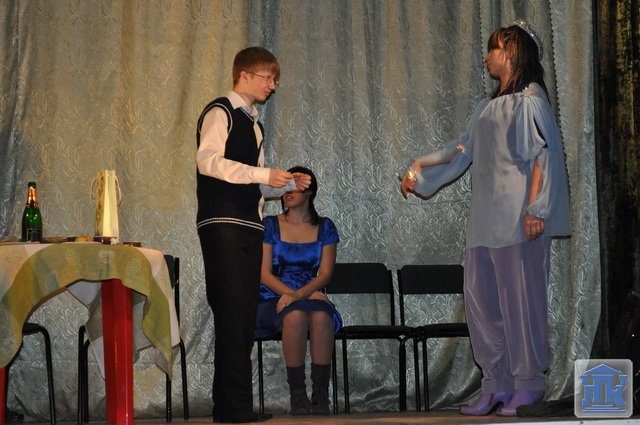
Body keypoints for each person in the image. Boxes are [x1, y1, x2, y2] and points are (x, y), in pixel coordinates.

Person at [400, 20, 571, 417]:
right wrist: (417, 172)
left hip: (517, 218)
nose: (486, 57)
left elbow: (542, 157)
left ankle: (528, 383)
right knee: (483, 302)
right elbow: (460, 151)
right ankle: (496, 383)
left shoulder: (530, 100)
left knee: (522, 302)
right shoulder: (486, 107)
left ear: (511, 51)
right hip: (485, 220)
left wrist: (536, 209)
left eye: (493, 49)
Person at [196, 47, 311, 423]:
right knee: (231, 310)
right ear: (243, 75)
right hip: (222, 223)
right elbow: (208, 161)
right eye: (267, 78)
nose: (272, 85)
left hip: (249, 225)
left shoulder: (256, 125)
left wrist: (285, 183)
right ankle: (231, 407)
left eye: (275, 80)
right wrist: (263, 174)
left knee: (244, 314)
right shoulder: (220, 111)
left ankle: (235, 406)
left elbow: (255, 185)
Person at [256, 166, 341, 416]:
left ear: (310, 192)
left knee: (321, 316)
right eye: (285, 187)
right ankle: (298, 395)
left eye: (295, 186)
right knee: (295, 316)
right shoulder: (270, 225)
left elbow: (325, 275)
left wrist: (299, 294)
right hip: (273, 295)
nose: (288, 192)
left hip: (310, 293)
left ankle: (321, 395)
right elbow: (263, 274)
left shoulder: (325, 226)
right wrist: (292, 296)